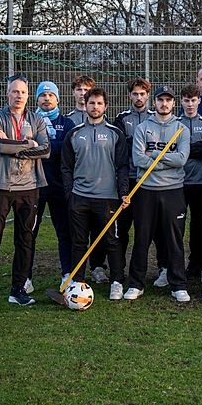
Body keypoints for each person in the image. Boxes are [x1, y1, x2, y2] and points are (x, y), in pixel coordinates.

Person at [0, 74, 50, 312]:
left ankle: (17, 290)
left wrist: (15, 146)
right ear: (7, 93)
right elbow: (0, 145)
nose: (18, 96)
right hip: (1, 187)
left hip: (29, 187)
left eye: (23, 92)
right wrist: (28, 144)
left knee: (25, 239)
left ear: (28, 96)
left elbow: (46, 149)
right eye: (14, 91)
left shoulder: (37, 120)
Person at [61, 87, 131, 300]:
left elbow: (122, 166)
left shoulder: (115, 133)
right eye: (92, 103)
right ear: (86, 105)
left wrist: (122, 193)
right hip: (80, 197)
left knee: (111, 241)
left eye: (99, 103)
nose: (95, 107)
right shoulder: (74, 133)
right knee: (79, 241)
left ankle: (117, 281)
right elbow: (66, 167)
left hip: (107, 197)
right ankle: (77, 282)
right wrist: (69, 194)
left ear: (105, 106)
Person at [125, 86, 191, 302]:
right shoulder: (143, 128)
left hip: (173, 191)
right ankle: (136, 284)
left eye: (168, 100)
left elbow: (181, 159)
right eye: (160, 100)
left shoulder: (182, 129)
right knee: (142, 238)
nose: (164, 104)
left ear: (174, 103)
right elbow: (138, 160)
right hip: (146, 191)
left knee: (174, 240)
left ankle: (178, 284)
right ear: (155, 102)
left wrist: (153, 155)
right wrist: (163, 160)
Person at [29, 80, 76, 293]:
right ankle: (24, 277)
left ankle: (67, 274)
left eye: (50, 95)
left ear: (57, 99)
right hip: (33, 186)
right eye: (42, 95)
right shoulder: (28, 121)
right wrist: (48, 146)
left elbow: (67, 149)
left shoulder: (67, 124)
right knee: (29, 232)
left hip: (59, 186)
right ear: (36, 99)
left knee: (64, 232)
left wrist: (41, 145)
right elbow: (25, 148)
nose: (46, 98)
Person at [112, 78, 152, 285]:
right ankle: (118, 270)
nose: (139, 98)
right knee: (122, 228)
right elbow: (121, 146)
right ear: (129, 95)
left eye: (142, 94)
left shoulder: (155, 118)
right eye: (135, 94)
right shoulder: (122, 118)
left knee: (148, 228)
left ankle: (160, 268)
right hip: (127, 179)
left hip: (148, 180)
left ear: (148, 95)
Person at [179, 84, 202, 285]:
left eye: (193, 100)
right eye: (186, 100)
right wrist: (190, 150)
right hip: (180, 182)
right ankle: (177, 266)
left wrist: (186, 150)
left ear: (199, 101)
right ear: (181, 102)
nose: (190, 104)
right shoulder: (175, 123)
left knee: (200, 225)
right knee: (178, 225)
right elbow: (172, 150)